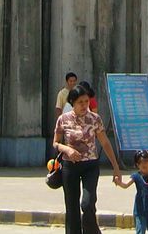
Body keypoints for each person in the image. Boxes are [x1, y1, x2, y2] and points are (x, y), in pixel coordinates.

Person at [52, 84, 123, 234]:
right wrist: (67, 149)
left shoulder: (95, 119)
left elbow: (104, 142)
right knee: (71, 207)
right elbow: (55, 143)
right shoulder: (63, 119)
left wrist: (115, 167)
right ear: (72, 103)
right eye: (80, 102)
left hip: (90, 165)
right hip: (70, 166)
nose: (84, 105)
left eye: (86, 101)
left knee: (87, 204)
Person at [116, 149, 148, 234]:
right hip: (140, 207)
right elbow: (126, 185)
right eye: (144, 167)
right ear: (138, 165)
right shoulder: (136, 176)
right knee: (140, 229)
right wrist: (119, 183)